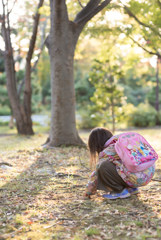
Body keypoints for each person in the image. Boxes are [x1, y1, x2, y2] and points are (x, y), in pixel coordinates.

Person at [85, 127, 155, 199]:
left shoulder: (107, 151)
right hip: (148, 173)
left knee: (103, 166)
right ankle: (132, 189)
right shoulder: (122, 142)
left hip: (136, 179)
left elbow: (96, 173)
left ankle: (120, 191)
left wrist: (89, 190)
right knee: (120, 167)